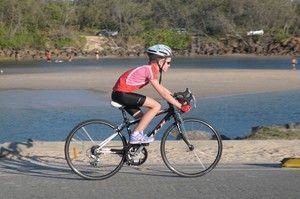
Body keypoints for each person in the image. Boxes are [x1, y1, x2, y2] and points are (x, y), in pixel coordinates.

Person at [111, 44, 191, 144]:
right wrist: (179, 105)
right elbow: (162, 93)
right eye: (168, 63)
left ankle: (131, 148)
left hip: (120, 94)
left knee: (142, 119)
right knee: (156, 105)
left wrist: (175, 97)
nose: (169, 65)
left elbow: (162, 88)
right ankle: (135, 136)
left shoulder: (150, 69)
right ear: (161, 61)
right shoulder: (149, 70)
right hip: (121, 94)